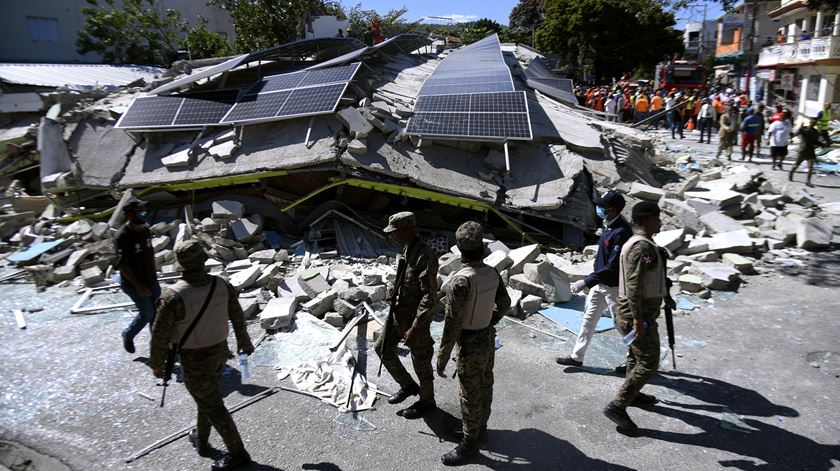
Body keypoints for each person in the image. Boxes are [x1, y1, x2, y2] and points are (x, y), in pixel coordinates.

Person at [150, 241, 254, 471]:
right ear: (203, 260)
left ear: (181, 266)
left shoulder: (172, 296)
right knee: (206, 398)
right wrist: (243, 341)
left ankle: (238, 454)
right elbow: (236, 315)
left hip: (194, 358)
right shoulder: (220, 285)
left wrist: (157, 363)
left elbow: (159, 335)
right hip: (219, 352)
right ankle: (202, 440)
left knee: (213, 405)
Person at [436, 221, 511, 466]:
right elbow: (505, 302)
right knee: (486, 383)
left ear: (459, 247)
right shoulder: (492, 272)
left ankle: (469, 444)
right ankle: (482, 429)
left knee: (468, 394)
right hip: (487, 337)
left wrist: (442, 356)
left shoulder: (460, 280)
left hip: (469, 342)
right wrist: (491, 319)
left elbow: (452, 324)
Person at [603, 201, 672, 435]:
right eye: (657, 217)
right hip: (636, 316)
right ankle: (617, 406)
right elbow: (632, 285)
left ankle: (634, 395)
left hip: (637, 315)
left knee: (635, 355)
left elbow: (648, 278)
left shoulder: (644, 244)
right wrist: (637, 319)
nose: (661, 221)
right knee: (648, 362)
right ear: (645, 220)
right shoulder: (640, 247)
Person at [556, 191, 631, 370]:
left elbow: (613, 266)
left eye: (602, 206)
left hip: (614, 287)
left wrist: (586, 281)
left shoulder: (622, 232)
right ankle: (577, 356)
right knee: (588, 321)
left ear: (612, 210)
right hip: (600, 284)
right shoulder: (607, 225)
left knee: (622, 325)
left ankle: (634, 360)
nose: (598, 209)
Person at [375, 211, 439, 419]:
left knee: (421, 363)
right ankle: (408, 385)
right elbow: (404, 278)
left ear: (406, 230)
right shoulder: (406, 249)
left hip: (414, 321)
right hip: (397, 314)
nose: (391, 236)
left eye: (394, 232)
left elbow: (429, 297)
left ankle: (427, 402)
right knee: (382, 349)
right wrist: (393, 287)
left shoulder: (425, 256)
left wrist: (415, 327)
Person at [116, 199, 160, 354]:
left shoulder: (145, 230)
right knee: (147, 313)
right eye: (141, 212)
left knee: (157, 314)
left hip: (151, 280)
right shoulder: (123, 236)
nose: (145, 215)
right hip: (134, 283)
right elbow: (123, 265)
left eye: (145, 212)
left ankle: (158, 347)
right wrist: (138, 285)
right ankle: (128, 334)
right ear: (130, 214)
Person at [789, 117, 821, 187]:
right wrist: (792, 134)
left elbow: (815, 141)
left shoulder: (815, 132)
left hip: (810, 151)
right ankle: (791, 173)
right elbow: (795, 135)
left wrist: (821, 144)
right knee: (797, 164)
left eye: (815, 122)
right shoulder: (803, 129)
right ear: (810, 122)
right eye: (813, 122)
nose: (814, 123)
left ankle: (808, 181)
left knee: (810, 167)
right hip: (802, 150)